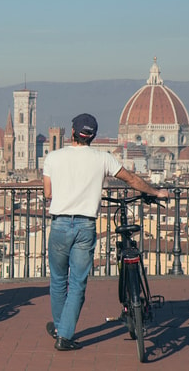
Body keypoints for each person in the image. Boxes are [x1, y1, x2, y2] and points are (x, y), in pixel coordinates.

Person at [42, 113, 169, 351]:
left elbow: (48, 193)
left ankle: (61, 328)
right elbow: (131, 179)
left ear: (72, 133)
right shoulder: (103, 158)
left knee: (58, 280)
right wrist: (154, 192)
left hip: (59, 224)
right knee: (78, 282)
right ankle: (64, 335)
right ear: (93, 136)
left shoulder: (53, 157)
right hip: (85, 225)